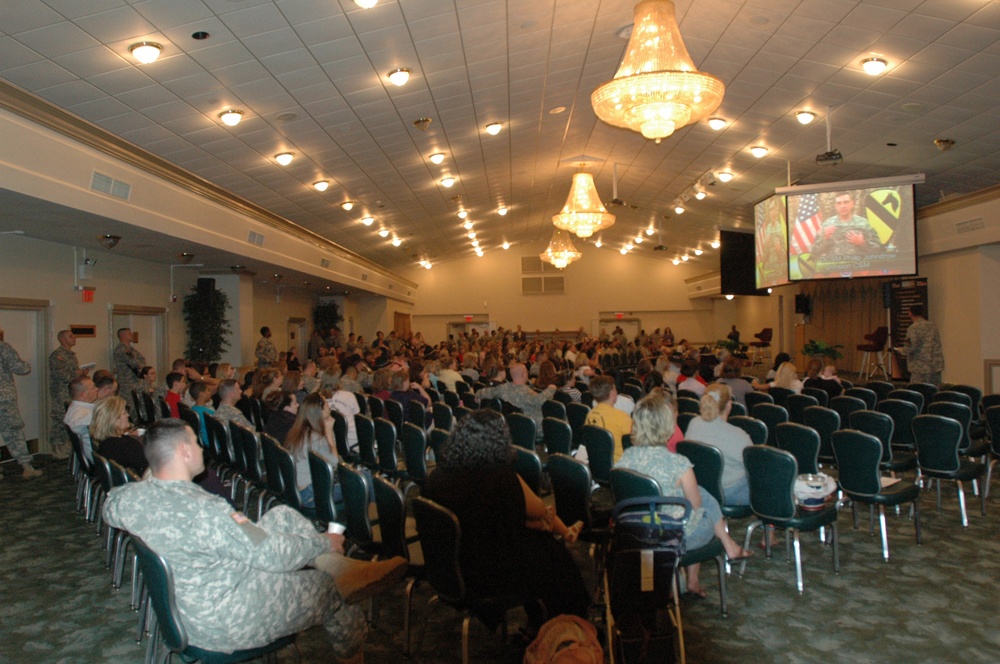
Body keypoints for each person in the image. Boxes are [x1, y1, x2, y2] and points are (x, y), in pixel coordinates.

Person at [101, 418, 407, 664]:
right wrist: (324, 542)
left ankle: (339, 567)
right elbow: (272, 555)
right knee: (332, 591)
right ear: (182, 451)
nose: (201, 448)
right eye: (195, 442)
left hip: (195, 598)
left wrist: (153, 477)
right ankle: (350, 641)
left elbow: (109, 506)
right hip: (227, 620)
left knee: (283, 515)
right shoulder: (208, 512)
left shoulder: (129, 499)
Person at [422, 410, 589, 633]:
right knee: (554, 555)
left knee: (540, 546)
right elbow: (537, 510)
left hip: (449, 568)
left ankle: (542, 620)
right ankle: (573, 625)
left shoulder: (437, 477)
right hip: (487, 575)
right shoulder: (499, 478)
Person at [615, 389, 753, 599]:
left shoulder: (625, 459)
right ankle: (696, 576)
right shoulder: (679, 464)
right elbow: (696, 508)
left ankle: (669, 579)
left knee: (702, 494)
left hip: (638, 531)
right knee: (702, 503)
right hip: (673, 536)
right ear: (667, 425)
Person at [683, 383, 752, 506]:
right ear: (729, 404)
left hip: (699, 486)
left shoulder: (694, 423)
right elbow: (754, 467)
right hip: (729, 493)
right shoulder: (739, 436)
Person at [286, 393, 340, 507]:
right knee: (363, 482)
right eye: (326, 404)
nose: (329, 406)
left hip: (296, 491)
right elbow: (336, 463)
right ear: (319, 411)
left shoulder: (297, 431)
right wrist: (329, 434)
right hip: (310, 494)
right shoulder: (316, 438)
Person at [0, 337, 43, 479]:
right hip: (4, 398)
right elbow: (21, 368)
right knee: (13, 432)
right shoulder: (3, 347)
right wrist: (26, 364)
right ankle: (27, 467)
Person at [48, 329, 88, 460]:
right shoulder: (58, 355)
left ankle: (67, 448)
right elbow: (61, 375)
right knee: (60, 420)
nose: (74, 338)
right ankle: (58, 450)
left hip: (70, 392)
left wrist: (81, 373)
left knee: (69, 419)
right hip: (61, 393)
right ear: (62, 339)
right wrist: (78, 374)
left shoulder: (71, 355)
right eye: (70, 336)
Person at [90, 395, 147, 474]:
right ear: (114, 420)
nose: (128, 415)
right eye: (124, 413)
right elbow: (148, 468)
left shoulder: (105, 443)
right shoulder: (127, 446)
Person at [813, 191, 881, 255]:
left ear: (852, 204)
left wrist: (862, 243)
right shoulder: (827, 224)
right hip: (834, 265)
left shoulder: (863, 223)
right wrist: (825, 238)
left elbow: (878, 250)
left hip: (858, 265)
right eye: (839, 203)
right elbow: (815, 252)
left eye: (846, 202)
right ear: (835, 206)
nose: (842, 206)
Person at [584, 376, 632, 462]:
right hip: (620, 465)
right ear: (612, 393)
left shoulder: (590, 415)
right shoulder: (623, 417)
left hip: (597, 462)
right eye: (615, 389)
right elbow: (633, 445)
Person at [904, 304, 944, 386]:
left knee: (918, 392)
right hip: (935, 365)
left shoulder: (913, 328)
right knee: (934, 391)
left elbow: (911, 346)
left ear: (910, 313)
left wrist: (902, 351)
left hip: (920, 367)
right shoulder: (932, 325)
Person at [64, 376, 99, 463]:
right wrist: (102, 416)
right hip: (98, 456)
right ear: (83, 394)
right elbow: (75, 425)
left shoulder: (81, 407)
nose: (97, 389)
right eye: (93, 388)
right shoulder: (80, 412)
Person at [112, 328, 146, 417]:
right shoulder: (121, 349)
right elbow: (135, 363)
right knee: (130, 407)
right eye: (128, 333)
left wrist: (139, 363)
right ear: (122, 335)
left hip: (135, 381)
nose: (131, 334)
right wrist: (138, 363)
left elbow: (143, 360)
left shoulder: (130, 349)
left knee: (138, 405)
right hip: (126, 383)